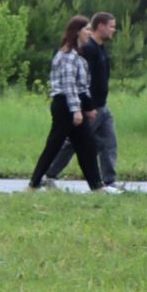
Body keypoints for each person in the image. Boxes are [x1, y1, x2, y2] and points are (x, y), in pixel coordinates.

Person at [43, 11, 123, 193]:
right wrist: (85, 106)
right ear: (100, 26)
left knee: (109, 142)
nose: (114, 30)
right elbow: (81, 81)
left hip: (102, 106)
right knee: (74, 143)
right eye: (111, 26)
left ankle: (109, 181)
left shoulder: (101, 48)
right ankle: (48, 174)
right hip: (91, 107)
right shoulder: (88, 50)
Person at [28, 15, 107, 194]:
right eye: (87, 29)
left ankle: (97, 186)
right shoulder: (67, 55)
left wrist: (88, 108)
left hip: (74, 104)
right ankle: (33, 184)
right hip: (65, 105)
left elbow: (82, 86)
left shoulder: (79, 56)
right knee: (54, 145)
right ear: (78, 32)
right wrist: (76, 111)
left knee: (87, 145)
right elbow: (69, 86)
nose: (89, 33)